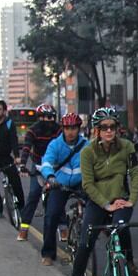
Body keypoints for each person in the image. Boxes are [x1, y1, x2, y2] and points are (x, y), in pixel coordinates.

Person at [67, 108, 138, 276]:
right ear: (96, 130)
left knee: (122, 226)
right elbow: (88, 184)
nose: (109, 131)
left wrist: (131, 200)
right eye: (104, 128)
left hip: (121, 199)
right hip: (99, 201)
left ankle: (129, 262)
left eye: (112, 127)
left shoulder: (127, 147)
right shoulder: (87, 152)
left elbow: (136, 173)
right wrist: (106, 204)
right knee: (85, 243)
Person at [39, 113, 89, 265]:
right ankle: (48, 253)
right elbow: (46, 162)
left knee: (98, 210)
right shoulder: (55, 144)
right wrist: (51, 177)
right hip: (59, 184)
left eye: (73, 128)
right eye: (67, 128)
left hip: (81, 183)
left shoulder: (87, 145)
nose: (70, 132)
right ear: (63, 129)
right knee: (51, 215)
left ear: (78, 129)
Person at [17, 103, 61, 241]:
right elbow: (26, 148)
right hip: (38, 166)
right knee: (33, 195)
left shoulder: (59, 130)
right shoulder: (33, 130)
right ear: (39, 118)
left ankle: (64, 227)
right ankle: (24, 229)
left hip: (55, 167)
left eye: (51, 117)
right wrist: (23, 164)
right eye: (45, 117)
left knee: (59, 194)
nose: (48, 121)